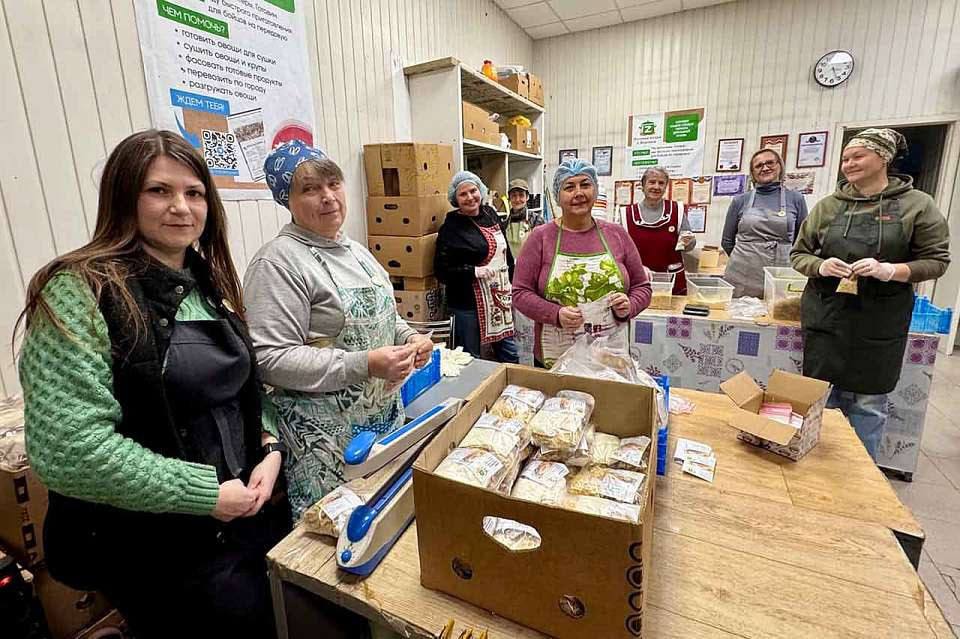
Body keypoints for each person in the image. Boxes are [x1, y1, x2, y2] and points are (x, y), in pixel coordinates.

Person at [16, 130, 288, 638]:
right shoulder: (80, 291)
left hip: (242, 524)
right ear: (123, 197)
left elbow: (244, 389)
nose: (180, 207)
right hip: (157, 549)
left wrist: (269, 446)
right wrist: (206, 495)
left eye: (194, 192)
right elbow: (69, 449)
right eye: (158, 191)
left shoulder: (209, 283)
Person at [243, 140, 434, 521]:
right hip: (324, 440)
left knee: (383, 520)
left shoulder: (355, 251)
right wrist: (364, 364)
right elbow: (269, 360)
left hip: (381, 420)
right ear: (287, 200)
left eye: (333, 184)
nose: (328, 197)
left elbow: (385, 316)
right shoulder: (277, 262)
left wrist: (409, 338)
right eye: (310, 189)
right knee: (332, 538)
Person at [791, 128, 950, 460]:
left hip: (879, 320)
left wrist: (891, 271)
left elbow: (936, 260)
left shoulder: (916, 206)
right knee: (821, 399)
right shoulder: (828, 206)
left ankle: (862, 480)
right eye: (845, 158)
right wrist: (820, 267)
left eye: (858, 156)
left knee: (868, 404)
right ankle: (816, 474)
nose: (849, 164)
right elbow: (799, 254)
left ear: (884, 158)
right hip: (827, 316)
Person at [513, 159, 652, 368]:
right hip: (557, 356)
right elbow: (520, 293)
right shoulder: (540, 238)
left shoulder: (617, 235)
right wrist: (555, 314)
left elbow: (642, 287)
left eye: (585, 185)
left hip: (609, 357)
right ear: (558, 197)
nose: (578, 193)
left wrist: (629, 306)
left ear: (595, 191)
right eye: (569, 187)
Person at [434, 171, 519, 363]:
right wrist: (472, 271)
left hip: (499, 299)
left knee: (510, 353)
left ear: (480, 190)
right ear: (455, 199)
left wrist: (513, 282)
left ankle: (511, 390)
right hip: (468, 304)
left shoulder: (490, 213)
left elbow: (506, 253)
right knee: (470, 359)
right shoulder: (451, 228)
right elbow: (441, 270)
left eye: (473, 191)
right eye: (463, 194)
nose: (470, 197)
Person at [722, 148, 808, 297]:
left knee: (779, 313)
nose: (765, 168)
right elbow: (727, 241)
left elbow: (802, 241)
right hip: (743, 272)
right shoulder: (740, 200)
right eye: (759, 165)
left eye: (770, 163)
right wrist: (746, 258)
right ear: (753, 172)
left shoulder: (796, 199)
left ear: (780, 166)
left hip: (781, 271)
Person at [623, 166, 696, 294]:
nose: (656, 187)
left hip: (672, 282)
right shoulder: (626, 214)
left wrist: (689, 242)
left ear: (666, 186)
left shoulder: (677, 210)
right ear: (643, 185)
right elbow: (620, 251)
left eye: (661, 183)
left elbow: (689, 245)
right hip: (639, 280)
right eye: (652, 182)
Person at [504, 178, 544, 258]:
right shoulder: (505, 224)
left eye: (521, 195)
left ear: (527, 197)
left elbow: (544, 250)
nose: (517, 199)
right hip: (511, 268)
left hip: (531, 266)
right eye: (514, 196)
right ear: (509, 198)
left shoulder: (537, 220)